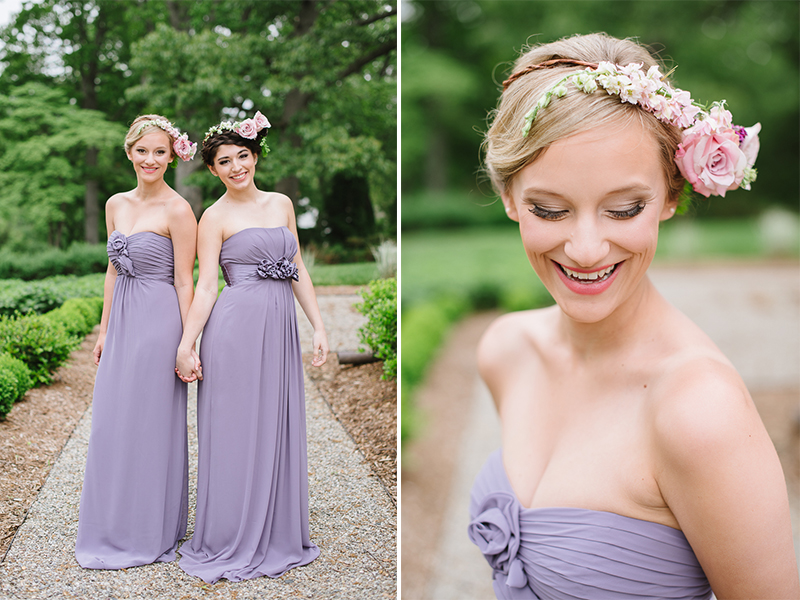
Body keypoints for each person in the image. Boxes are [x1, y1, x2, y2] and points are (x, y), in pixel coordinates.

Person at [467, 33, 799, 599]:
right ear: (509, 197)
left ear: (671, 195)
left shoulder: (699, 413)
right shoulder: (505, 351)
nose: (587, 248)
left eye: (625, 208)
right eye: (549, 209)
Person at [174, 111, 328, 583]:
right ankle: (230, 530)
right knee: (235, 428)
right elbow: (205, 288)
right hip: (235, 330)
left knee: (275, 421)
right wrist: (187, 343)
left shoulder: (282, 203)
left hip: (279, 330)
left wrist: (318, 326)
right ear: (213, 170)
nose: (237, 166)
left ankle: (276, 525)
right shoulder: (213, 217)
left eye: (243, 156)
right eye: (225, 161)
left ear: (255, 156)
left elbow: (297, 265)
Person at [75, 115, 198, 569]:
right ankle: (112, 521)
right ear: (129, 152)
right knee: (112, 419)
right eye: (142, 150)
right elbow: (112, 269)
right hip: (123, 321)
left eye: (160, 152)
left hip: (158, 321)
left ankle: (151, 527)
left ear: (171, 156)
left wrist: (188, 343)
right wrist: (104, 329)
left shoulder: (178, 210)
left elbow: (186, 281)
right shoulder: (115, 205)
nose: (150, 159)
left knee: (149, 422)